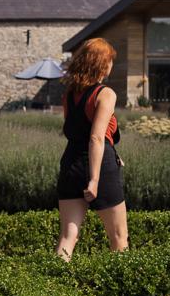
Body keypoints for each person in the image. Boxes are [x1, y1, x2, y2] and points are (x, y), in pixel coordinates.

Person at [55, 38, 129, 259]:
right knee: (118, 236)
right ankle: (122, 289)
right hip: (98, 167)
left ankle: (53, 283)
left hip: (70, 164)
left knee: (68, 235)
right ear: (101, 64)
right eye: (110, 61)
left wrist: (114, 153)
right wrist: (94, 180)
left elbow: (77, 130)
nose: (111, 66)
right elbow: (95, 137)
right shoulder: (105, 93)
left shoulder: (68, 94)